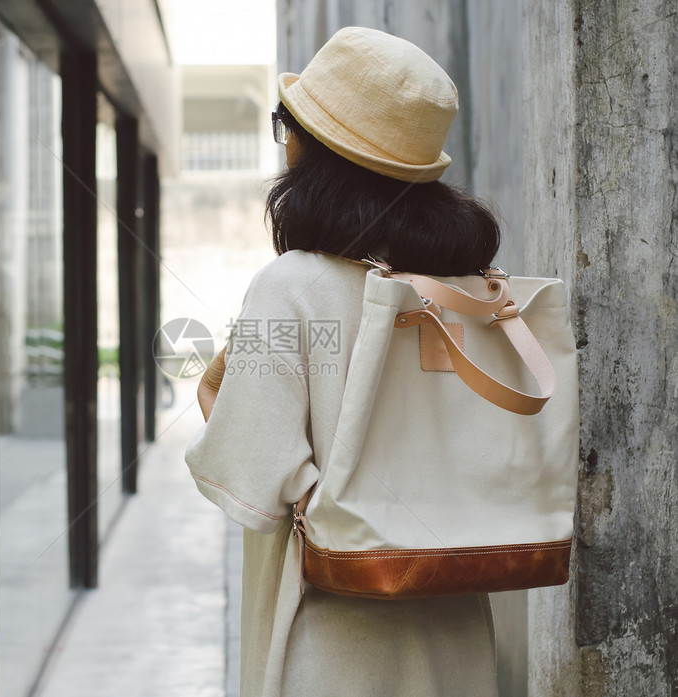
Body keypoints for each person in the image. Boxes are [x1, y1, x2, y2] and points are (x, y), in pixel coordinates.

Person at [185, 27, 501, 697]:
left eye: (287, 125)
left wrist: (218, 393)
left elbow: (255, 477)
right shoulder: (478, 290)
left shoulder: (292, 285)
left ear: (319, 151)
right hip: (458, 625)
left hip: (334, 637)